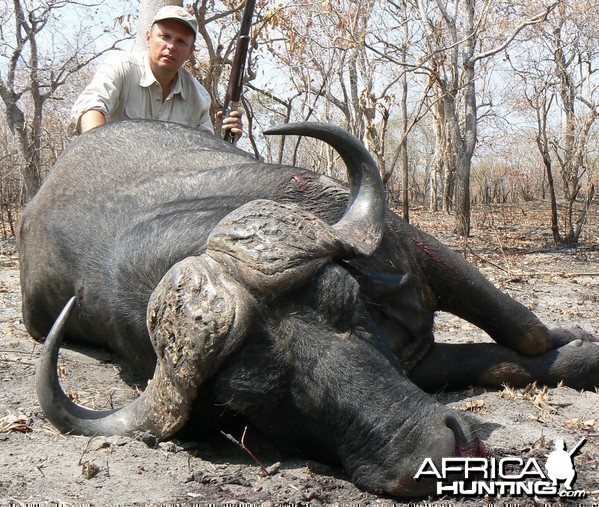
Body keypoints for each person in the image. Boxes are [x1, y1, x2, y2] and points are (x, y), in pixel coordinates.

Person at [70, 5, 243, 138]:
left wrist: (226, 138)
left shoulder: (199, 97)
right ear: (148, 38)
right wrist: (100, 151)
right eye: (165, 36)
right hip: (113, 172)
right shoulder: (120, 66)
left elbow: (205, 154)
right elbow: (90, 109)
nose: (171, 46)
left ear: (191, 52)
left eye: (181, 42)